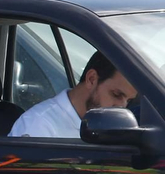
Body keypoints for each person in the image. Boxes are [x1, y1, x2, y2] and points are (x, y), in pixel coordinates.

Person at [9, 51, 137, 139]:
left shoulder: (109, 127)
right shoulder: (38, 125)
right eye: (116, 94)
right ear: (91, 79)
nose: (122, 107)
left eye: (129, 100)